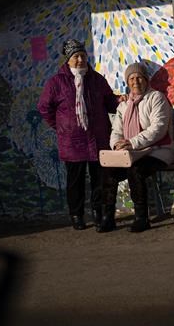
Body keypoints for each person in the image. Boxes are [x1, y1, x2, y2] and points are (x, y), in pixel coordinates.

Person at [38, 39, 121, 230]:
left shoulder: (96, 79)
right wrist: (60, 126)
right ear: (68, 60)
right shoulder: (56, 82)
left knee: (99, 178)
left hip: (98, 138)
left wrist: (121, 100)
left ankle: (98, 213)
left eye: (83, 56)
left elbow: (109, 101)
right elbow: (44, 107)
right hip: (72, 141)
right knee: (75, 181)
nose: (80, 60)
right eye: (76, 56)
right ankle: (76, 215)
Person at [97, 62, 174, 233]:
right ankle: (108, 217)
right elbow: (116, 131)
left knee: (136, 170)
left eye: (139, 77)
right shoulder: (124, 105)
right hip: (130, 153)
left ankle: (141, 217)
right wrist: (117, 145)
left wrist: (132, 142)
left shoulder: (156, 98)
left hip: (158, 150)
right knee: (108, 172)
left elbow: (158, 129)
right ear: (127, 82)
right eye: (131, 78)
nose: (135, 81)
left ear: (146, 79)